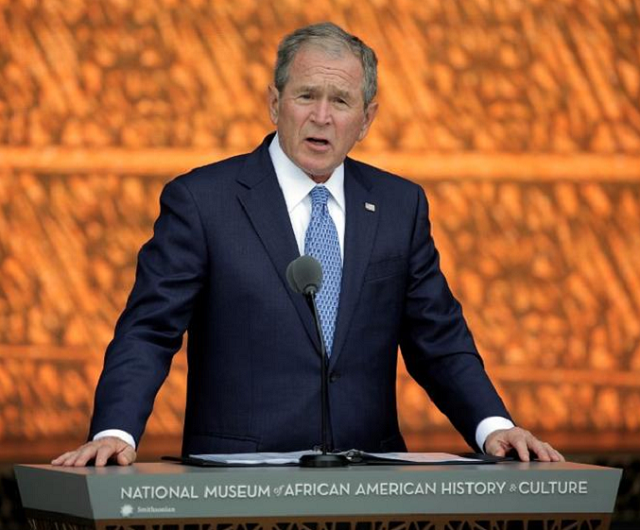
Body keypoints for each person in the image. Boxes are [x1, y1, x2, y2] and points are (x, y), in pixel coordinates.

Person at [53, 22, 563, 467]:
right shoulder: (202, 202)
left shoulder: (399, 206)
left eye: (340, 101)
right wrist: (114, 432)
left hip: (370, 483)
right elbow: (149, 332)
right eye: (305, 96)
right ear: (275, 103)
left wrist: (493, 426)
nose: (321, 116)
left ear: (366, 120)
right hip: (237, 487)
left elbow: (440, 341)